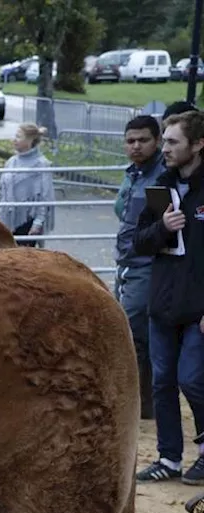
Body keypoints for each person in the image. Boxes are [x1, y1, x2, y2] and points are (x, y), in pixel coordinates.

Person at [134, 110, 204, 489]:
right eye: (166, 140)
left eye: (174, 141)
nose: (165, 148)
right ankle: (169, 457)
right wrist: (162, 227)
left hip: (198, 308)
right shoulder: (160, 187)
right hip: (162, 303)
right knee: (162, 382)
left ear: (198, 144)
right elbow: (138, 242)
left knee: (192, 380)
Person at [115, 115, 168, 421]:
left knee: (136, 333)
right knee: (128, 330)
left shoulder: (162, 177)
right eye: (130, 141)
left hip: (147, 265)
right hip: (124, 262)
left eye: (143, 140)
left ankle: (142, 402)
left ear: (156, 141)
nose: (135, 146)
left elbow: (162, 227)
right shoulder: (132, 174)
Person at [0, 124, 55, 248]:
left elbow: (45, 196)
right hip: (8, 219)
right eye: (15, 136)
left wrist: (38, 222)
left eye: (18, 137)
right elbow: (3, 191)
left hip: (28, 220)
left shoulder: (41, 164)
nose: (14, 140)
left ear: (30, 140)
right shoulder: (11, 162)